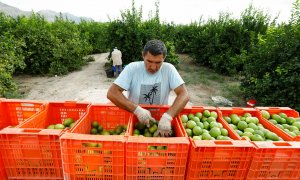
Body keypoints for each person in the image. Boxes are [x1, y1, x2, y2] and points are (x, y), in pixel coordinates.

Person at [107, 39, 189, 136]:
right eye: (149, 61)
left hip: (160, 123)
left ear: (164, 58)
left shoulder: (169, 69)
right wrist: (137, 110)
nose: (153, 67)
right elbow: (112, 93)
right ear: (143, 55)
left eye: (158, 62)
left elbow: (184, 94)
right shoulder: (132, 68)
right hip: (135, 120)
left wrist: (168, 117)